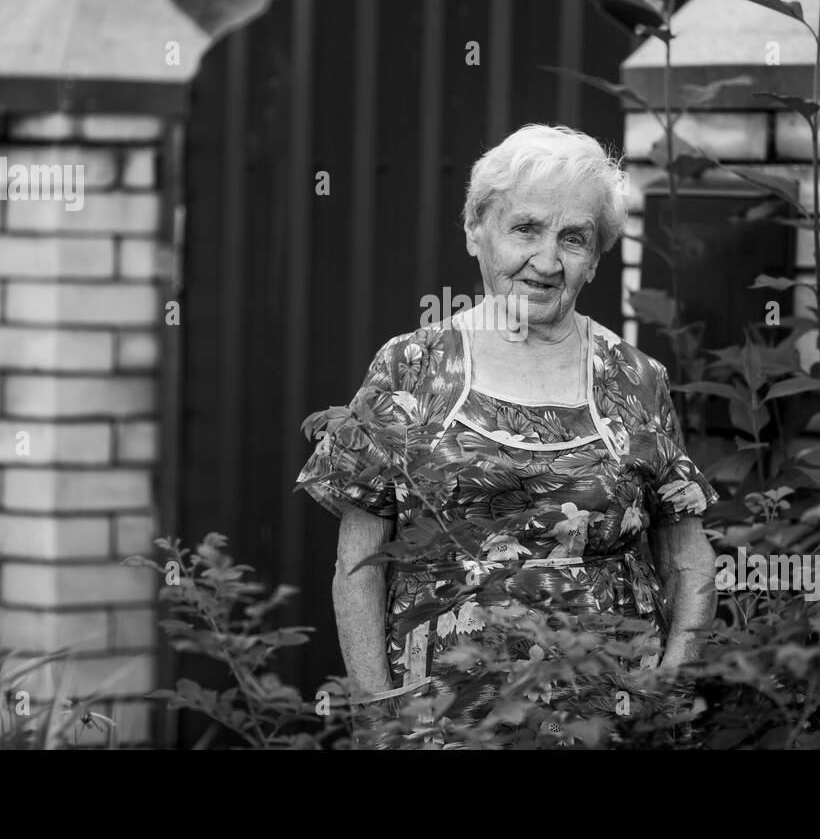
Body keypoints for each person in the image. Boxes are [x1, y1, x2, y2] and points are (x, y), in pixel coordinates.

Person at [297, 123, 718, 745]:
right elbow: (357, 565)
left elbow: (687, 558)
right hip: (442, 722)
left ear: (597, 256)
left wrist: (670, 693)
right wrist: (378, 717)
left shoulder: (636, 379)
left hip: (609, 722)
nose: (546, 262)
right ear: (476, 231)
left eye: (573, 238)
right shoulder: (412, 366)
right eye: (525, 229)